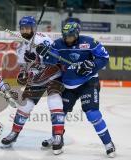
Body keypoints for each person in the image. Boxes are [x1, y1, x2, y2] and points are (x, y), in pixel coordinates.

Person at [36, 22, 116, 157]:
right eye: (65, 36)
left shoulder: (90, 42)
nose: (67, 39)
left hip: (88, 83)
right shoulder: (57, 44)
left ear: (77, 34)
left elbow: (104, 57)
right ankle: (56, 137)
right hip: (68, 85)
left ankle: (108, 143)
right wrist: (44, 54)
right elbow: (50, 62)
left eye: (71, 36)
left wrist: (92, 64)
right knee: (60, 113)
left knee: (92, 114)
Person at [1, 16, 65, 155]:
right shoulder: (20, 45)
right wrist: (23, 74)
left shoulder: (43, 39)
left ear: (33, 28)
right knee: (25, 105)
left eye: (27, 28)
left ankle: (58, 136)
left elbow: (56, 58)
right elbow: (24, 68)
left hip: (53, 75)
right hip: (36, 79)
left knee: (54, 102)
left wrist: (40, 56)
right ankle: (14, 133)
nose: (24, 30)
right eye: (22, 28)